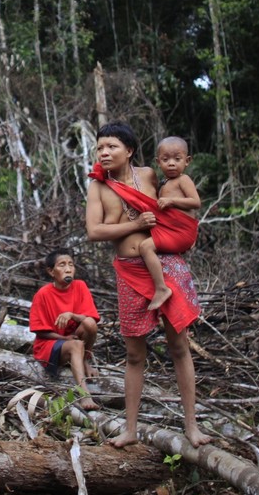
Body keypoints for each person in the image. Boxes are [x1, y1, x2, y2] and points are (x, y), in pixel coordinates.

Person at [85, 120, 210, 449]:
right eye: (99, 148)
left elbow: (178, 207)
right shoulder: (98, 187)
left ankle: (192, 427)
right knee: (134, 354)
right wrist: (135, 224)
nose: (104, 152)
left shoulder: (151, 176)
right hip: (128, 271)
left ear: (129, 151)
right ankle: (129, 429)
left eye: (111, 146)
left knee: (179, 346)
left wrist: (181, 235)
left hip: (165, 264)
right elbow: (94, 232)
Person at [135, 136, 202, 312]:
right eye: (166, 160)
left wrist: (171, 201)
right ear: (158, 162)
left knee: (145, 247)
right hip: (173, 231)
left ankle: (161, 288)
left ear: (187, 161)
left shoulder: (183, 180)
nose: (171, 163)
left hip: (181, 232)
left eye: (177, 159)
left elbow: (196, 202)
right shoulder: (164, 183)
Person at [28, 249, 101, 411]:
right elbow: (39, 331)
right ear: (51, 271)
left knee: (89, 323)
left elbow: (91, 319)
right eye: (62, 265)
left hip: (75, 339)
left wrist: (72, 315)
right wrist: (65, 339)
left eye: (71, 265)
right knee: (76, 345)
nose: (68, 269)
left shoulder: (80, 286)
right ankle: (84, 395)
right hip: (50, 344)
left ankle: (84, 360)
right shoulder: (43, 294)